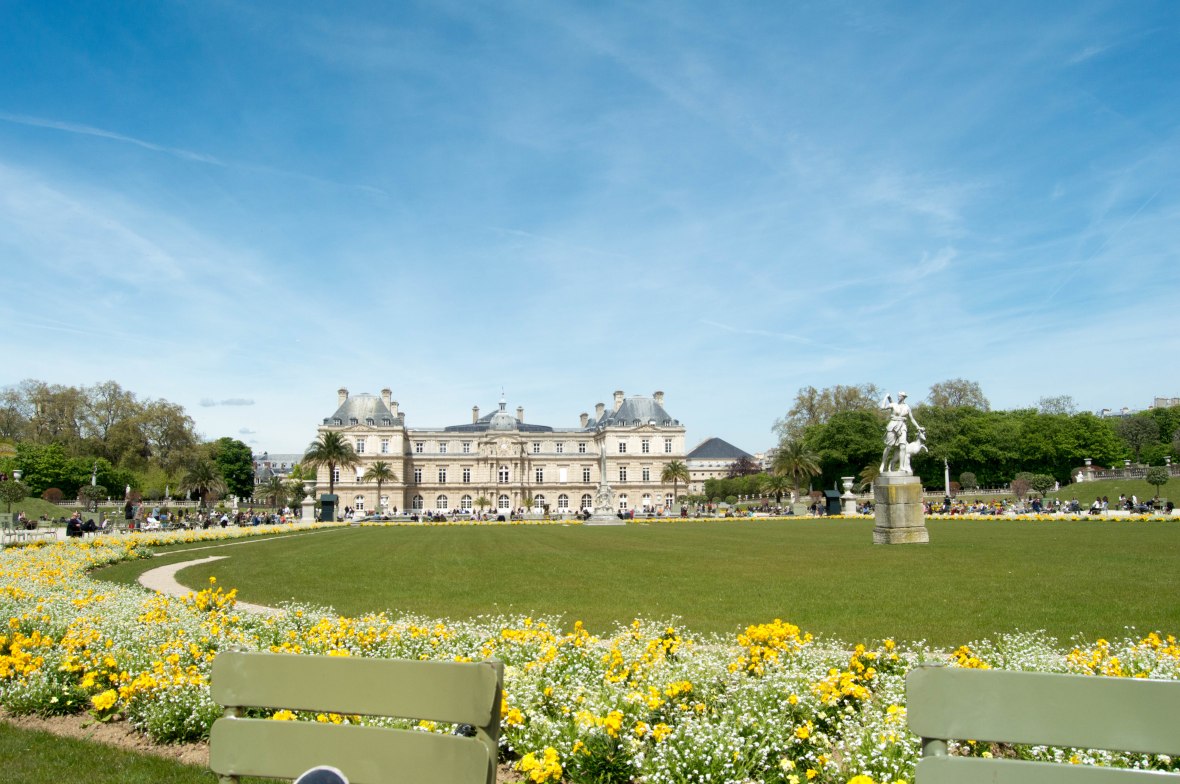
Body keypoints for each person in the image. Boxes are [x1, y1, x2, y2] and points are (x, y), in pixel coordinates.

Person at [880, 391, 923, 473]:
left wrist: (918, 427)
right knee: (889, 446)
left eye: (900, 396)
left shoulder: (907, 407)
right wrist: (886, 397)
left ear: (903, 397)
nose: (898, 397)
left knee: (903, 447)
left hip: (902, 426)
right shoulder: (894, 405)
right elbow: (882, 407)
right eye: (898, 396)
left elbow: (912, 418)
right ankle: (883, 463)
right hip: (892, 425)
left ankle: (901, 467)